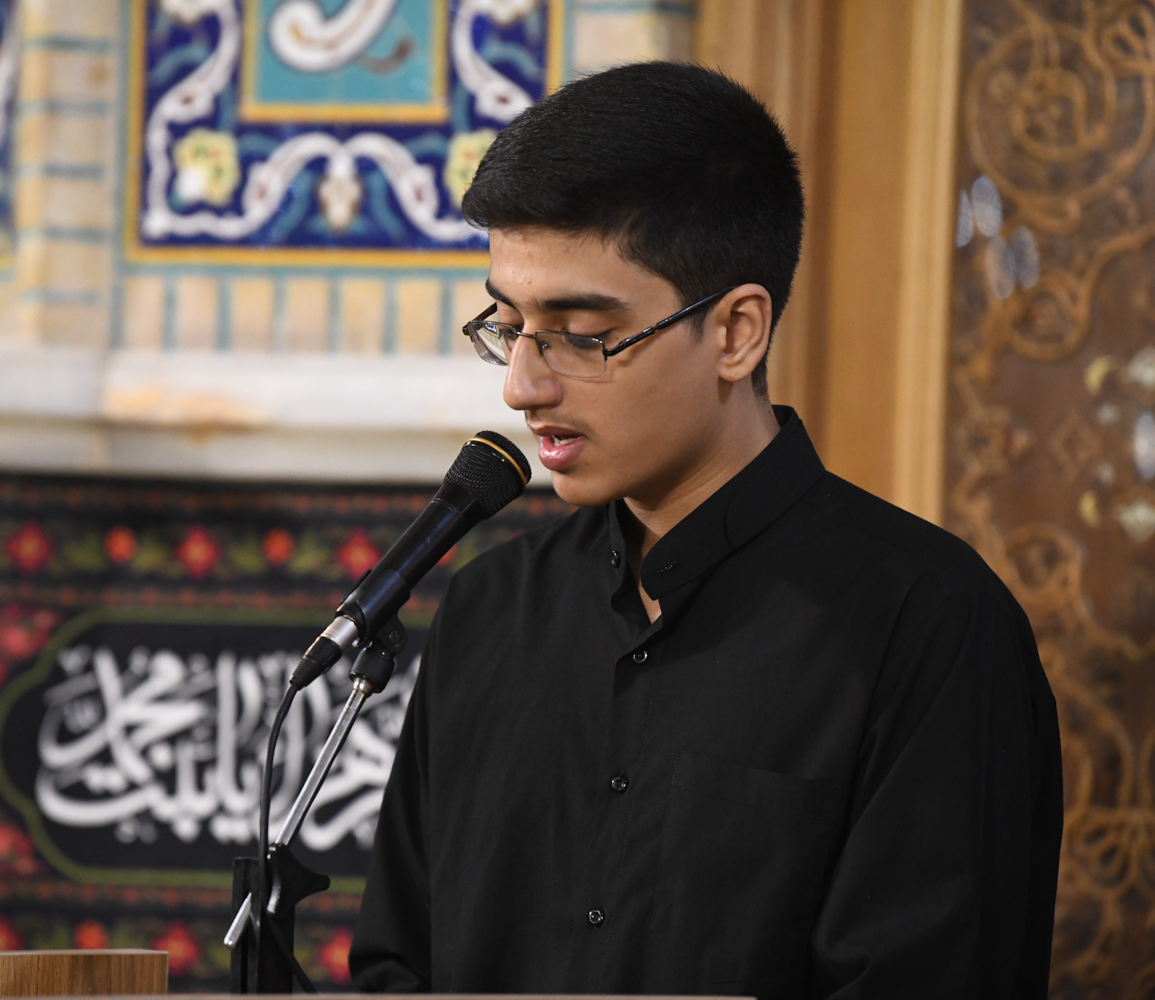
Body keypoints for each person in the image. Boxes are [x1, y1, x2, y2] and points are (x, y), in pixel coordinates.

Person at [348, 61, 1062, 998]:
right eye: (508, 324)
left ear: (735, 333)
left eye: (581, 333)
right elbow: (397, 965)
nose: (523, 385)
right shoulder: (490, 611)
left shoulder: (928, 625)